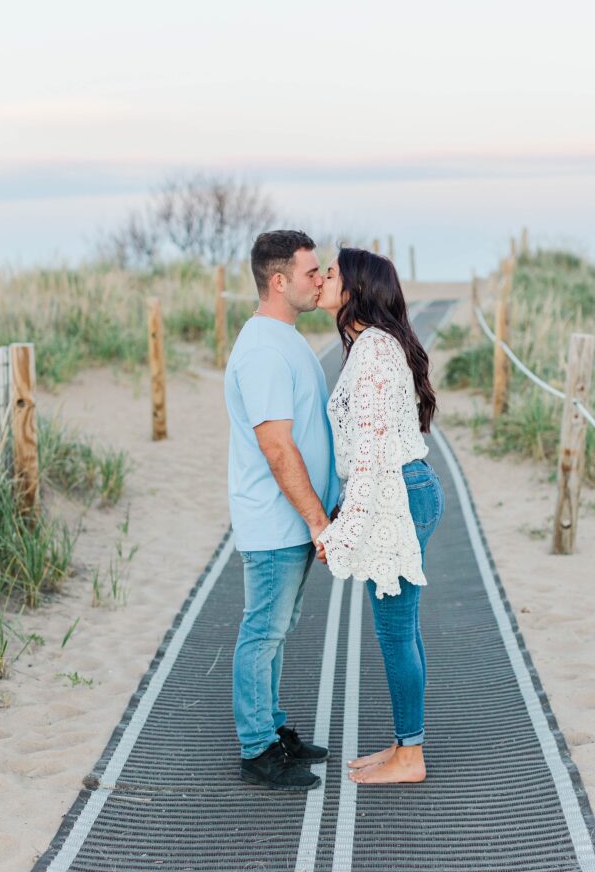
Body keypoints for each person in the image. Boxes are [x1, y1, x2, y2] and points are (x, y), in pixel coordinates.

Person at [316, 246, 445, 784]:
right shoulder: (373, 346)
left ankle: (409, 756)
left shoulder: (371, 352)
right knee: (402, 628)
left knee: (395, 632)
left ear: (355, 289)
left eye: (332, 273)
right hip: (404, 486)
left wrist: (340, 531)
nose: (322, 278)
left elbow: (368, 458)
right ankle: (403, 745)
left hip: (396, 492)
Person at [224, 230, 339, 790]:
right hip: (275, 520)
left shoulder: (287, 337)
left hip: (292, 519)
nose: (321, 279)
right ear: (278, 280)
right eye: (310, 272)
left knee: (278, 627)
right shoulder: (265, 348)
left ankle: (271, 728)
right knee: (262, 631)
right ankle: (256, 749)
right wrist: (318, 519)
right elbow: (276, 446)